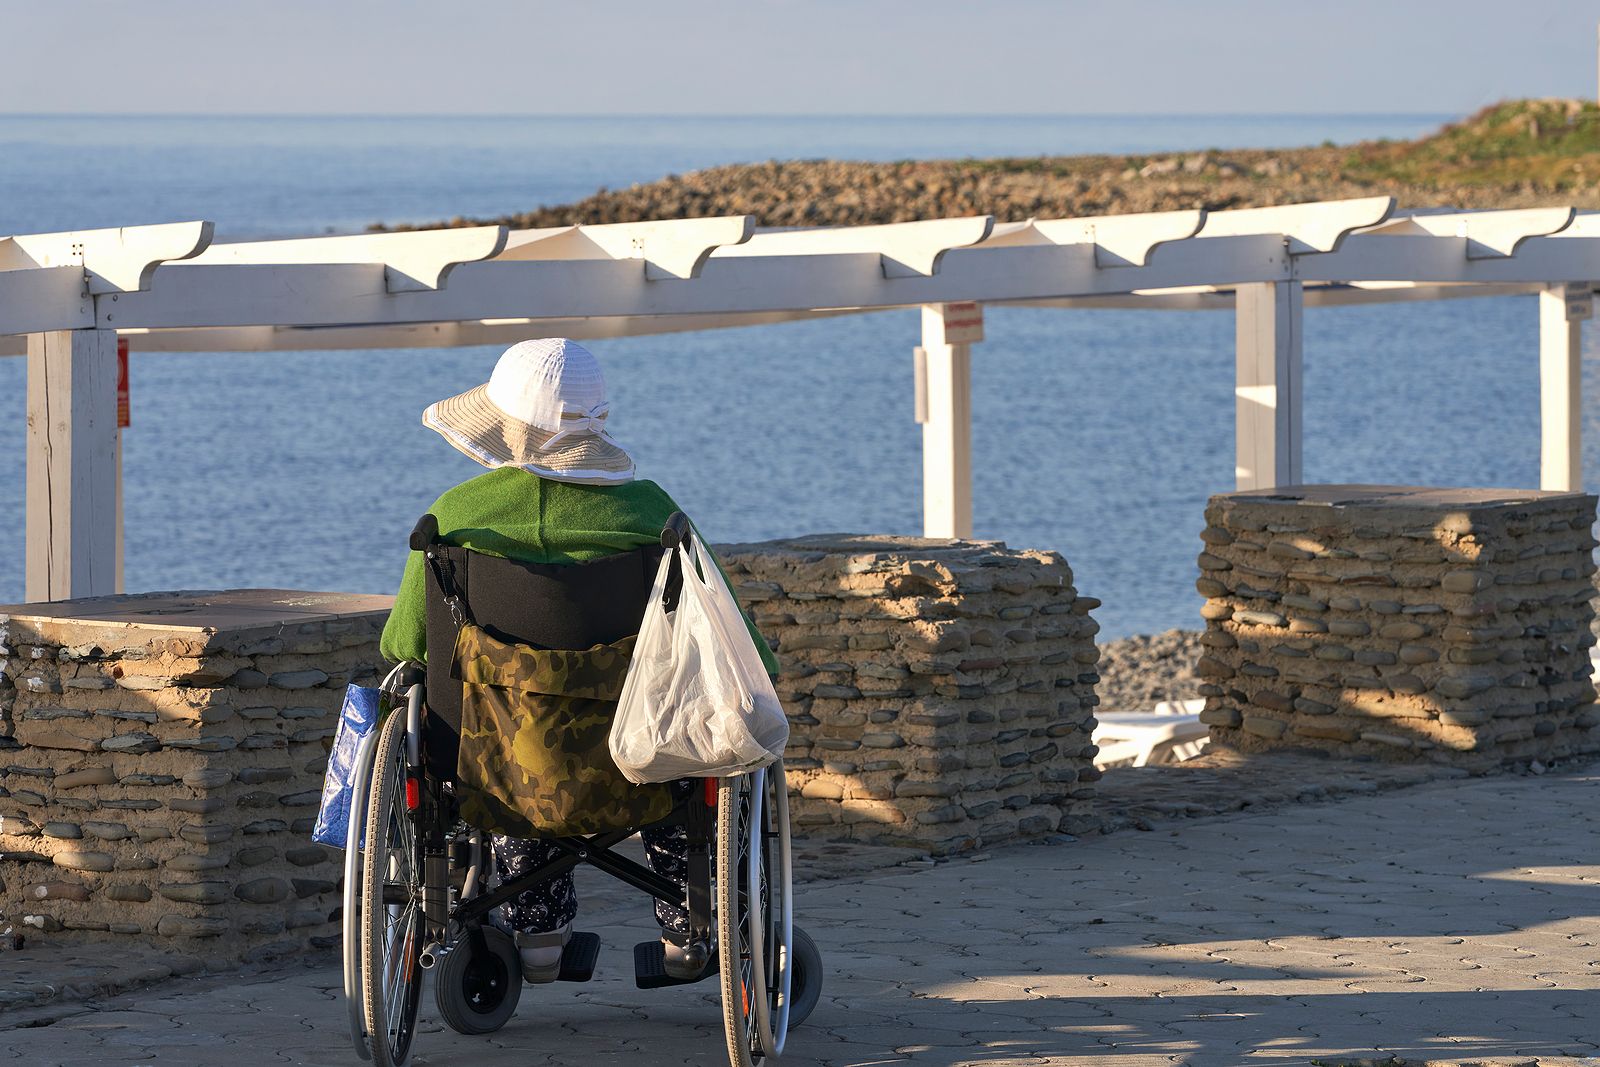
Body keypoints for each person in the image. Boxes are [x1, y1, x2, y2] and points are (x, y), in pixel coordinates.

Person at [379, 337, 778, 982]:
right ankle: (688, 932)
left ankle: (537, 941)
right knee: (680, 764)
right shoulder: (653, 514)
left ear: (508, 428)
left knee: (512, 733)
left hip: (500, 766)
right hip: (635, 754)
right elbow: (744, 650)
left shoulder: (454, 518)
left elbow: (404, 646)